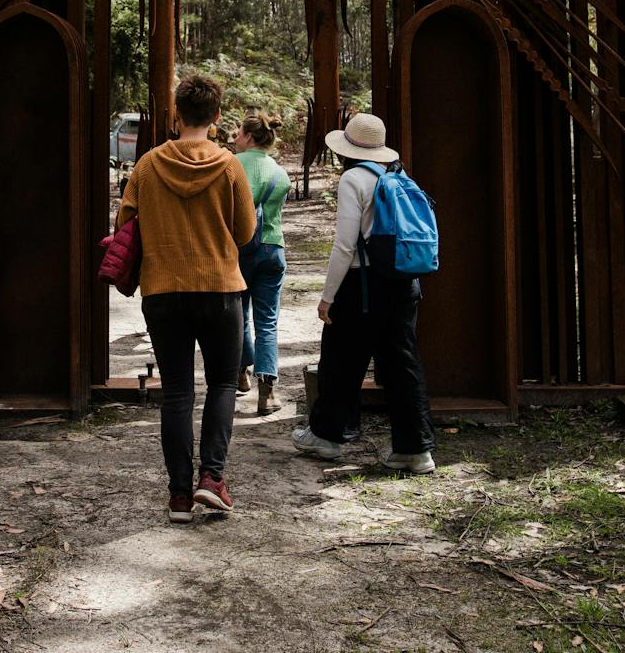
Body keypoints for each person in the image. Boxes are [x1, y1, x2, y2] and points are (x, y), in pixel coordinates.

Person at [117, 74, 257, 522]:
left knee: (177, 391)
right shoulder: (229, 165)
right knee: (222, 384)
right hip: (220, 289)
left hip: (163, 290)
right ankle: (212, 480)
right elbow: (246, 232)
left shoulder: (147, 166)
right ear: (217, 116)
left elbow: (124, 223)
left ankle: (179, 496)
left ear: (176, 114)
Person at [292, 112, 436, 474]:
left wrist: (327, 296)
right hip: (403, 282)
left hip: (363, 284)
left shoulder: (353, 179)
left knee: (340, 358)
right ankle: (416, 451)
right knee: (402, 363)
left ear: (348, 150)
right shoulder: (398, 174)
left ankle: (327, 436)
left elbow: (345, 245)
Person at [232, 111, 291, 415]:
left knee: (238, 314)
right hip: (272, 249)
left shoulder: (231, 165)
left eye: (238, 132)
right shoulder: (280, 173)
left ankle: (241, 372)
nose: (235, 137)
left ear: (249, 136)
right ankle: (267, 393)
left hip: (239, 250)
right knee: (267, 322)